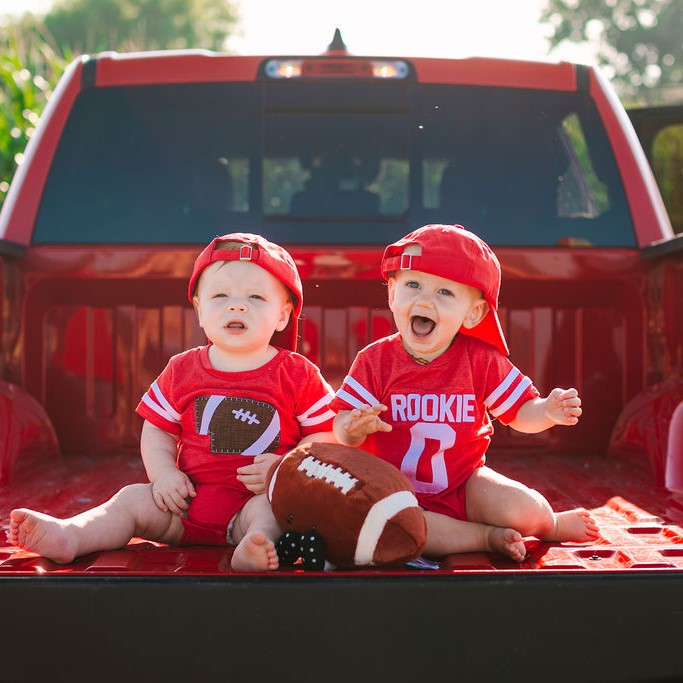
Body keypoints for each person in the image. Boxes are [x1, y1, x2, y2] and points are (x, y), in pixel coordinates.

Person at [9, 233, 336, 571]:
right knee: (131, 500)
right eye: (220, 295)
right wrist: (163, 474)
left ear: (283, 316)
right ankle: (71, 536)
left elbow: (326, 435)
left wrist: (285, 467)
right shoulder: (183, 368)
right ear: (199, 309)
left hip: (251, 503)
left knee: (275, 513)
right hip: (184, 505)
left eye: (255, 297)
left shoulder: (296, 373)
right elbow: (158, 430)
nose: (236, 305)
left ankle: (256, 548)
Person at [331, 224, 599, 562]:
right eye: (413, 285)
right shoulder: (375, 361)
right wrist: (352, 428)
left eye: (445, 292)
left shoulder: (480, 361)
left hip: (464, 485)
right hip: (392, 494)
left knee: (522, 509)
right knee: (406, 530)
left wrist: (546, 410)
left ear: (473, 313)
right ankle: (487, 537)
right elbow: (341, 428)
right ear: (392, 294)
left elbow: (519, 413)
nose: (425, 299)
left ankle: (550, 524)